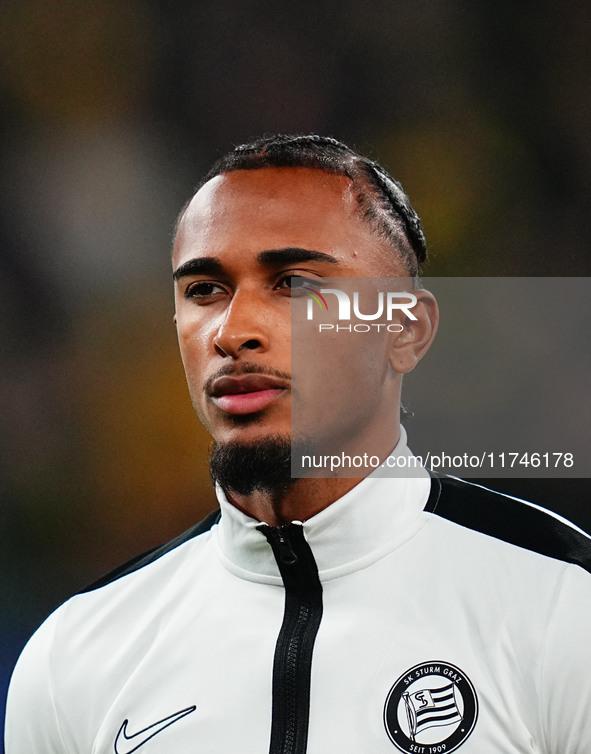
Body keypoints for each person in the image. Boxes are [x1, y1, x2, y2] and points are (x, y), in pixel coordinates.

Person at [5, 134, 591, 754]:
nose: (234, 332)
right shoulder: (74, 656)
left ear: (406, 332)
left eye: (292, 283)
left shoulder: (562, 608)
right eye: (204, 290)